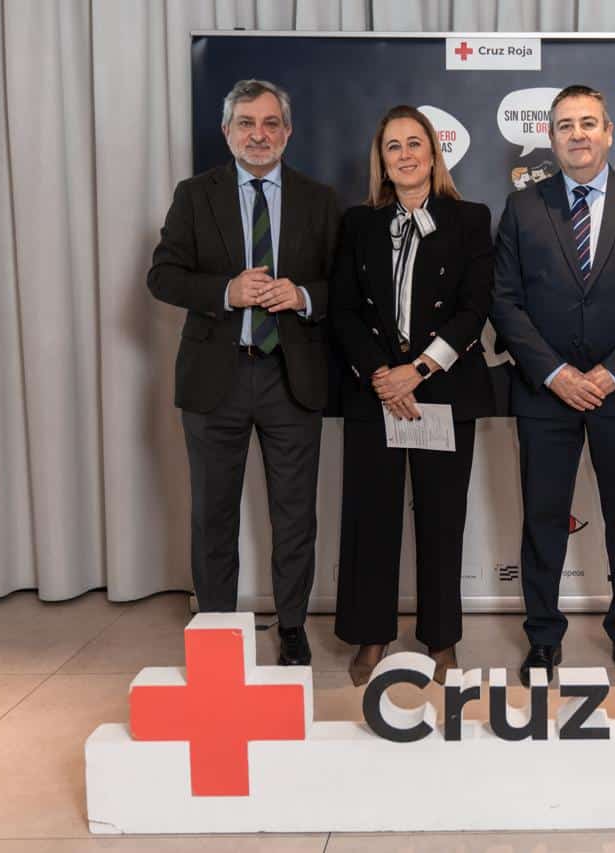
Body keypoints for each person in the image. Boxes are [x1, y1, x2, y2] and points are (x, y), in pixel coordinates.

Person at [491, 85, 615, 688]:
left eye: (588, 123)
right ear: (551, 138)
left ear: (609, 131)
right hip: (545, 395)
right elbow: (504, 300)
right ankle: (543, 638)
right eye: (565, 125)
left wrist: (612, 371)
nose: (577, 134)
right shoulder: (522, 208)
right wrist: (555, 373)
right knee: (542, 519)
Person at [147, 79, 340, 666]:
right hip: (216, 378)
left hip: (291, 377)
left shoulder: (319, 199)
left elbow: (347, 286)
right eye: (246, 124)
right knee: (213, 514)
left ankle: (292, 627)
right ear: (227, 131)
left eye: (270, 123)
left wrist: (304, 296)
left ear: (288, 131)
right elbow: (163, 276)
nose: (259, 135)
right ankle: (217, 632)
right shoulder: (193, 195)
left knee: (294, 516)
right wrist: (225, 292)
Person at [330, 106, 494, 686]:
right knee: (371, 517)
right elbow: (343, 309)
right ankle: (371, 634)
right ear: (381, 160)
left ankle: (441, 638)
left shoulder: (470, 218)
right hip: (374, 392)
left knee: (442, 519)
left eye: (414, 143)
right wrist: (383, 374)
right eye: (393, 146)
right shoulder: (358, 223)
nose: (404, 154)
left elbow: (476, 307)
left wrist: (418, 370)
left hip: (441, 388)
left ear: (433, 153)